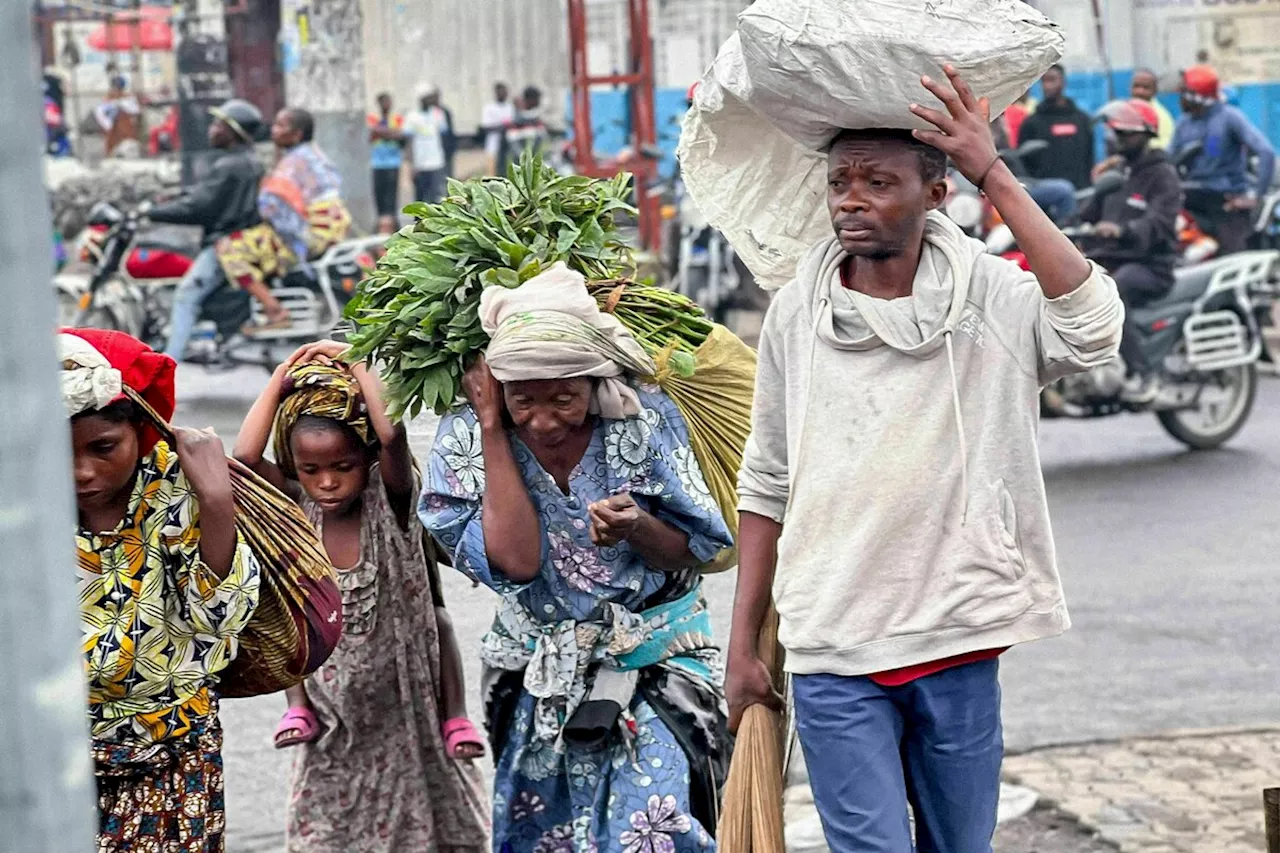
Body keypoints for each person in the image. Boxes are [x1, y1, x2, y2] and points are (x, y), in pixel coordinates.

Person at [727, 66, 1124, 853]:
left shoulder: (994, 302)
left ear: (936, 195)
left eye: (878, 180)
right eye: (840, 180)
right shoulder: (795, 314)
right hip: (833, 644)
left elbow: (1093, 327)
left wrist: (992, 170)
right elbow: (766, 479)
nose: (851, 197)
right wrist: (742, 643)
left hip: (957, 631)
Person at [420, 264, 734, 853]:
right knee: (547, 836)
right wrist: (492, 426)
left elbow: (689, 550)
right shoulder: (467, 436)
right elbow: (514, 562)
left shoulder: (639, 421)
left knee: (654, 833)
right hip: (539, 673)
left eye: (564, 397)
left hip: (653, 657)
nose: (544, 420)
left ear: (595, 382)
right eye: (523, 400)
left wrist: (638, 525)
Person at [232, 341, 490, 852]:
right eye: (310, 470)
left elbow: (392, 436)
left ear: (366, 459)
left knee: (436, 828)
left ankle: (458, 715)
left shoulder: (387, 503)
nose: (327, 482)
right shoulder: (295, 510)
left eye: (342, 467)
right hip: (333, 719)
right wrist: (282, 374)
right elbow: (242, 458)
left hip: (409, 708)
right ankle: (296, 707)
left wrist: (356, 363)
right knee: (328, 831)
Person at [61, 327, 261, 852]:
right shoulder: (24, 502)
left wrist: (217, 502)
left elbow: (219, 617)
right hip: (55, 752)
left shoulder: (175, 489)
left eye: (104, 448)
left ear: (142, 432)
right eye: (57, 451)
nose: (82, 472)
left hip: (170, 753)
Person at [1082, 99, 1183, 404]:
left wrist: (1123, 230)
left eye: (1126, 134)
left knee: (1115, 288)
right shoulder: (1118, 173)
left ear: (1147, 135)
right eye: (1116, 133)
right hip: (1110, 258)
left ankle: (1145, 373)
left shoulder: (1163, 176)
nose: (1118, 139)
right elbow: (1090, 211)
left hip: (1151, 265)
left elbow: (1159, 223)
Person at [152, 99, 265, 360]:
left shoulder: (229, 165)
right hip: (238, 238)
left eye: (219, 125)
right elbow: (205, 194)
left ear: (233, 132)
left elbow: (199, 206)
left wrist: (152, 212)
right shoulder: (244, 161)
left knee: (185, 296)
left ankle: (169, 364)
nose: (212, 129)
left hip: (223, 243)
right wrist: (171, 196)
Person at [1172, 64, 1276, 255]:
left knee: (1235, 257)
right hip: (1191, 199)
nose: (1179, 99)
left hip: (1225, 202)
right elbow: (1169, 159)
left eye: (1183, 93)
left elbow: (1266, 152)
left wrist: (1256, 197)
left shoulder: (1230, 118)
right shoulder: (1183, 123)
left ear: (1196, 96)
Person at [1019, 64, 1096, 189]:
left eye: (1052, 80)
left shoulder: (1082, 120)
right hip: (1045, 196)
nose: (1047, 86)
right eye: (1044, 81)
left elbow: (1089, 158)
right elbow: (1024, 162)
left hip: (1081, 192)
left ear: (1064, 82)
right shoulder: (1031, 123)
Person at [406, 84, 456, 204]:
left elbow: (444, 137)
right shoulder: (412, 116)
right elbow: (409, 142)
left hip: (436, 162)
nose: (430, 100)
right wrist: (411, 165)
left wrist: (446, 158)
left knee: (437, 197)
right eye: (427, 97)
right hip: (420, 164)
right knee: (420, 198)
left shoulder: (439, 114)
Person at [367, 92, 407, 233]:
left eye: (388, 102)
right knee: (379, 198)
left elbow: (401, 135)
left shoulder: (396, 118)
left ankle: (393, 228)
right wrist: (391, 133)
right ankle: (380, 228)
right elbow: (372, 133)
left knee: (391, 198)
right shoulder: (373, 118)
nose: (387, 105)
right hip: (377, 164)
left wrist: (383, 132)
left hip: (393, 163)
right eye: (384, 102)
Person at [497, 85, 548, 175]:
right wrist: (525, 159)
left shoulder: (535, 117)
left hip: (529, 165)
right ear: (531, 99)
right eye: (537, 98)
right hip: (517, 167)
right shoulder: (516, 118)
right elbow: (513, 145)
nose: (539, 101)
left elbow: (542, 139)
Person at [1130, 68, 1175, 150]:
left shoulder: (1161, 117)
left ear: (1155, 91)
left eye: (1146, 88)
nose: (1140, 91)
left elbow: (1165, 147)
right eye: (1136, 86)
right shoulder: (1126, 111)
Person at [481, 82, 517, 175]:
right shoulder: (489, 108)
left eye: (505, 92)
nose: (503, 94)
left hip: (508, 145)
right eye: (501, 92)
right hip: (493, 146)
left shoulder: (510, 107)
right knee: (492, 174)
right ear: (496, 93)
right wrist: (502, 127)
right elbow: (486, 128)